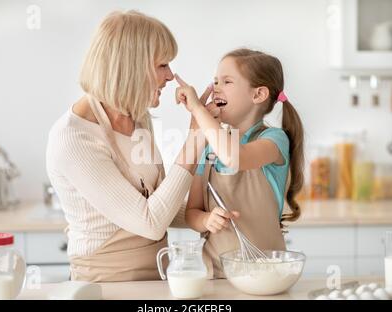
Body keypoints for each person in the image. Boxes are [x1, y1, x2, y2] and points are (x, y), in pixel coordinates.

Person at [46, 10, 210, 282]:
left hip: (157, 271)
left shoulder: (137, 118)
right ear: (132, 66)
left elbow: (157, 202)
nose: (170, 76)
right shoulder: (73, 138)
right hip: (106, 282)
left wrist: (206, 214)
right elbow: (151, 221)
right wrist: (195, 137)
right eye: (162, 65)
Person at [175, 49, 305, 278]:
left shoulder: (274, 140)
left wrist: (197, 109)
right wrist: (206, 220)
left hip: (267, 275)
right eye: (215, 80)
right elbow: (192, 213)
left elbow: (235, 156)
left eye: (227, 81)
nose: (216, 87)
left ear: (258, 95)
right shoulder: (208, 148)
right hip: (215, 275)